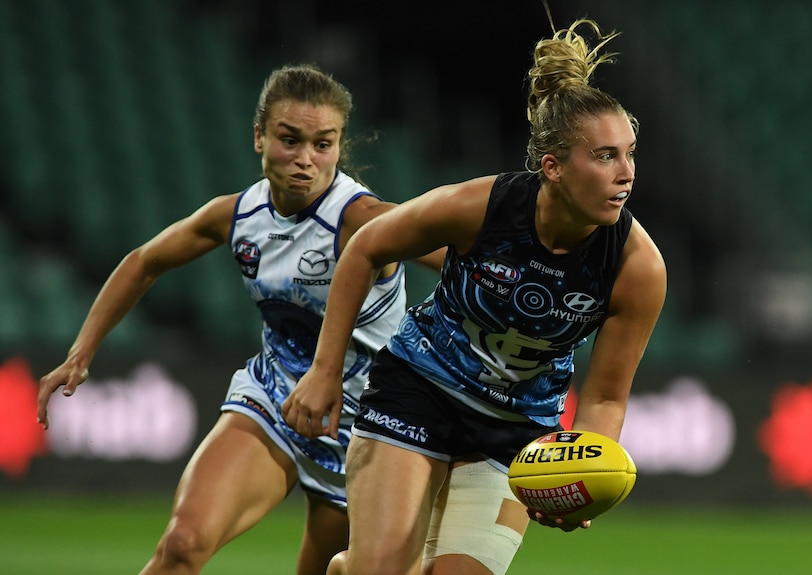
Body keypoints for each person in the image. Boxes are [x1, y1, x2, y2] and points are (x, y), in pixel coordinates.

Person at [282, 18, 667, 575]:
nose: (626, 173)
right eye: (605, 156)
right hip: (417, 391)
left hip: (516, 432)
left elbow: (606, 397)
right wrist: (325, 369)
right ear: (552, 168)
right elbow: (365, 246)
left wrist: (585, 471)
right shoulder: (478, 207)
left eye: (630, 153)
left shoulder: (637, 268)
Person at [36, 63, 443, 575]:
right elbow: (144, 262)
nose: (305, 160)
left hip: (366, 428)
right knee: (182, 545)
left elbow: (457, 251)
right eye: (289, 140)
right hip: (273, 399)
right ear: (259, 136)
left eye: (323, 143)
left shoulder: (362, 219)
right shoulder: (237, 216)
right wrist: (81, 352)